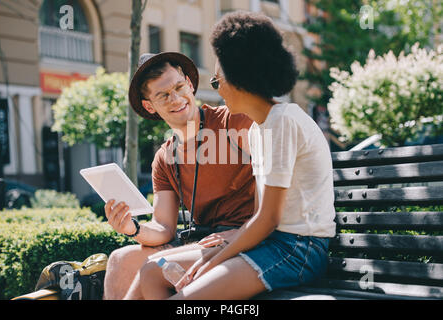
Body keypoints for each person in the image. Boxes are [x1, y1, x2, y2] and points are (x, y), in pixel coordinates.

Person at [129, 11, 336, 300]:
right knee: (152, 271)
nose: (217, 92)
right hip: (268, 243)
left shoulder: (283, 121)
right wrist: (216, 253)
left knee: (184, 301)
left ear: (241, 77)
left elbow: (267, 219)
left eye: (218, 82)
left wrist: (214, 259)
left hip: (298, 249)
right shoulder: (257, 131)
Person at [103, 51, 256, 299]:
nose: (176, 99)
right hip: (202, 242)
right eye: (163, 95)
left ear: (190, 83)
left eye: (179, 87)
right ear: (149, 106)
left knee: (152, 267)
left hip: (246, 239)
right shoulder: (164, 158)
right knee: (121, 259)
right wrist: (132, 228)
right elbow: (164, 227)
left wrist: (242, 233)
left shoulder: (233, 121)